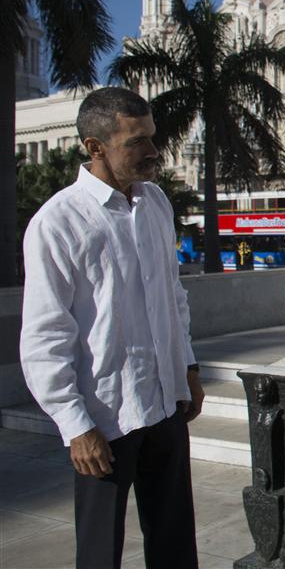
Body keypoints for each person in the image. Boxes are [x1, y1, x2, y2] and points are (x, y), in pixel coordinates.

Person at [19, 87, 202, 569]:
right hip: (106, 416)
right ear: (95, 147)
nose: (152, 151)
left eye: (152, 138)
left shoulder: (156, 203)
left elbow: (173, 295)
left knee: (176, 542)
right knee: (101, 552)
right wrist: (75, 425)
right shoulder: (57, 222)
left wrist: (188, 367)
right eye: (136, 142)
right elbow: (45, 333)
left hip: (164, 405)